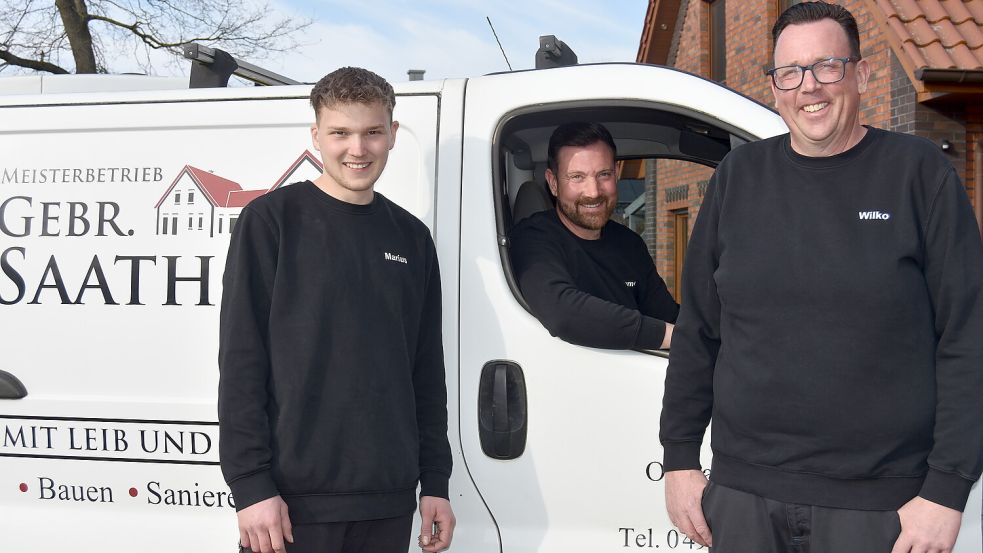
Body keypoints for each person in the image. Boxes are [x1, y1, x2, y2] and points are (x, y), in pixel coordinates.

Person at [660, 3, 983, 552]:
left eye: (826, 66)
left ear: (858, 73)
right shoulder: (738, 179)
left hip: (882, 507)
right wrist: (680, 458)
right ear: (776, 85)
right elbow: (699, 329)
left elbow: (968, 335)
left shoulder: (919, 173)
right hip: (743, 500)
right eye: (790, 72)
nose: (808, 87)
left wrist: (947, 491)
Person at [218, 67, 455, 553]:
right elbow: (242, 362)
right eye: (340, 133)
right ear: (316, 136)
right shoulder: (271, 222)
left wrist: (434, 481)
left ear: (392, 134)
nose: (357, 148)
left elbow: (425, 370)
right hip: (291, 504)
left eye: (372, 132)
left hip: (388, 500)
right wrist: (251, 485)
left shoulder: (411, 237)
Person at [509, 122, 679, 350]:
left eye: (604, 174)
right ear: (553, 183)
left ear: (617, 174)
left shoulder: (630, 244)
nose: (594, 192)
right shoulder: (533, 239)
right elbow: (564, 313)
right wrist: (672, 337)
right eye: (577, 177)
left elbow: (668, 315)